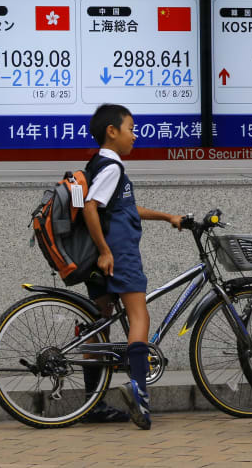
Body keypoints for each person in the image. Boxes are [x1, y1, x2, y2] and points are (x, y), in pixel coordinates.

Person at [82, 104, 183, 430]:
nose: (135, 135)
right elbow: (90, 207)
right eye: (131, 128)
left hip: (105, 254)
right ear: (112, 132)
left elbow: (125, 208)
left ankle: (91, 404)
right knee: (140, 316)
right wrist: (106, 251)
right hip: (119, 253)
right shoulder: (112, 167)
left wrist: (167, 216)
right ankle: (138, 392)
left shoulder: (101, 165)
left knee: (99, 325)